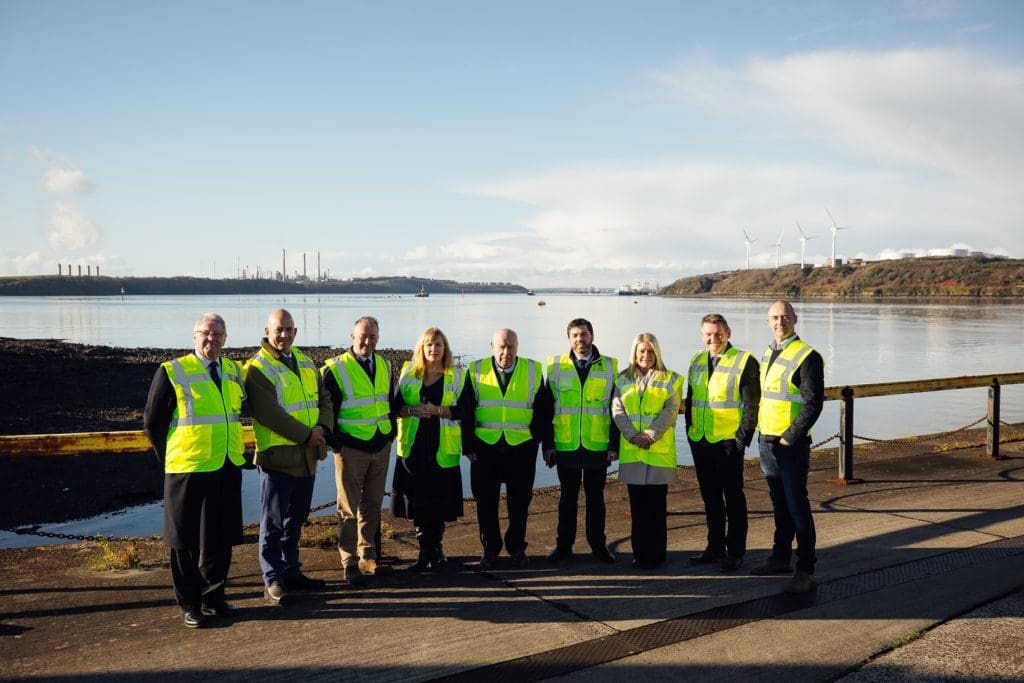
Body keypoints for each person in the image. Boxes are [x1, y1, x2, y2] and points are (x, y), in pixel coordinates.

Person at [143, 313, 246, 629]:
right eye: (206, 333)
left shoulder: (232, 370)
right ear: (194, 336)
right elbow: (153, 422)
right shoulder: (173, 371)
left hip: (226, 463)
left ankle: (215, 596)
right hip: (188, 466)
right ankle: (190, 603)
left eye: (218, 334)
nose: (212, 339)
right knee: (183, 539)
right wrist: (170, 457)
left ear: (225, 339)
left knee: (221, 536)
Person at [244, 309, 333, 605]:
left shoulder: (306, 362)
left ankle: (291, 571)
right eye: (279, 330)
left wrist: (323, 427)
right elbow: (269, 413)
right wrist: (307, 435)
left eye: (289, 330)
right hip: (278, 459)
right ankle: (272, 579)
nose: (284, 335)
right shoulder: (258, 368)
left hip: (307, 456)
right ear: (267, 330)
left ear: (296, 332)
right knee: (273, 523)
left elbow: (324, 399)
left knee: (296, 520)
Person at [752, 300, 825, 594]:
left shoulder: (808, 356)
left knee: (797, 506)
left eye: (785, 316)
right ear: (767, 320)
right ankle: (780, 557)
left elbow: (813, 404)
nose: (779, 321)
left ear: (795, 318)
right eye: (774, 317)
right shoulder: (769, 351)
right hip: (766, 439)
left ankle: (805, 570)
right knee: (779, 504)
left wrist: (789, 437)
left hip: (789, 444)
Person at [464, 328, 551, 569]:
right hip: (484, 448)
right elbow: (466, 410)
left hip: (521, 448)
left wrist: (542, 443)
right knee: (485, 502)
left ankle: (516, 547)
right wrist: (468, 445)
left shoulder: (533, 370)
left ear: (517, 347)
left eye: (511, 347)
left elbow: (543, 412)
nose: (506, 352)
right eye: (501, 347)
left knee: (520, 503)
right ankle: (490, 549)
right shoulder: (475, 370)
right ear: (492, 346)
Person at [322, 316, 396, 586]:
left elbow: (388, 401)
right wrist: (336, 442)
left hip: (380, 445)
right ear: (352, 336)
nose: (368, 341)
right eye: (363, 336)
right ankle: (349, 560)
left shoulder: (386, 365)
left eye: (373, 336)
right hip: (351, 448)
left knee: (373, 505)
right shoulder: (335, 369)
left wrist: (391, 434)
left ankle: (368, 555)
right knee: (348, 508)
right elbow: (326, 409)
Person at [390, 327, 472, 572]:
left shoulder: (457, 375)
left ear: (445, 348)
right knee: (417, 500)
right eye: (429, 345)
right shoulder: (408, 372)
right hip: (414, 446)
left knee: (438, 501)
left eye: (438, 345)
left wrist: (438, 411)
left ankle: (437, 549)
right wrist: (412, 410)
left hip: (442, 446)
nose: (433, 349)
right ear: (421, 349)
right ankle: (424, 552)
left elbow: (465, 410)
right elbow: (396, 407)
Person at [684, 313, 760, 572]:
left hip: (729, 442)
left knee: (733, 498)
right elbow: (691, 399)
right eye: (708, 334)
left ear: (728, 332)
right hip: (701, 440)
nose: (713, 338)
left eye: (718, 333)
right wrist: (690, 430)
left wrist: (743, 437)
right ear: (701, 334)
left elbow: (752, 403)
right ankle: (714, 547)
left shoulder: (743, 360)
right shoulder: (696, 360)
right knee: (710, 497)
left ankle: (735, 552)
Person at [543, 318, 619, 564]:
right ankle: (563, 546)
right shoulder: (555, 366)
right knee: (567, 499)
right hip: (566, 445)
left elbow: (617, 409)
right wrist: (548, 445)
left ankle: (598, 546)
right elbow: (546, 409)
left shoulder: (610, 366)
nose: (580, 339)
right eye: (575, 335)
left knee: (596, 499)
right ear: (569, 339)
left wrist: (614, 445)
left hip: (597, 444)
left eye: (584, 334)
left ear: (592, 336)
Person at [611, 333, 683, 570]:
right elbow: (617, 411)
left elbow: (671, 410)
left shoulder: (671, 379)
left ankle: (657, 554)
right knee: (638, 508)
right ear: (634, 353)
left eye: (650, 351)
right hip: (633, 451)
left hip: (658, 451)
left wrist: (650, 434)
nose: (646, 356)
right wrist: (632, 435)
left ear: (657, 353)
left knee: (656, 508)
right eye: (641, 351)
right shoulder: (622, 379)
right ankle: (640, 554)